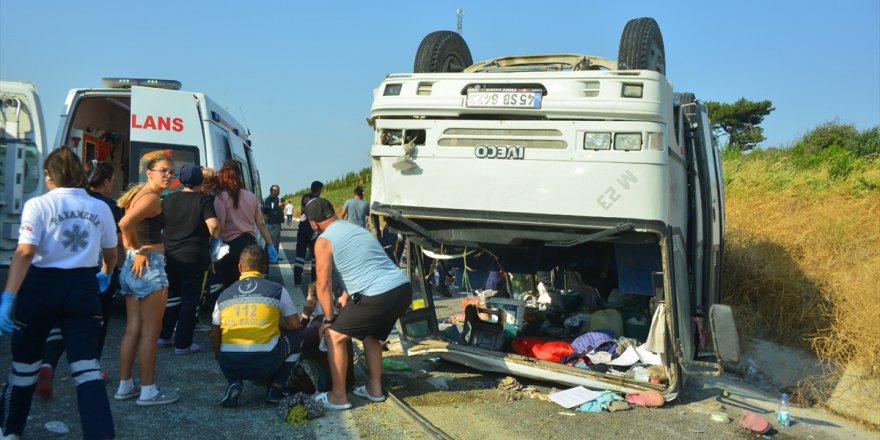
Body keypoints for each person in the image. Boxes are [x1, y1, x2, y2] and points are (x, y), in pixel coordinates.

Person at [0, 147, 117, 439]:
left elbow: (25, 252)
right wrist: (105, 272)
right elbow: (112, 252)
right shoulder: (100, 207)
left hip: (40, 288)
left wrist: (9, 296)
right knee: (87, 370)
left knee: (24, 369)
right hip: (82, 288)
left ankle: (9, 432)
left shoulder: (37, 205)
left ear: (48, 175)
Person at [305, 198, 412, 410]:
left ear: (313, 223)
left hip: (377, 294)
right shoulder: (357, 230)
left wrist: (328, 319)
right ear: (333, 212)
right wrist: (345, 295)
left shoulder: (324, 240)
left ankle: (338, 396)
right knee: (370, 334)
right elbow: (365, 263)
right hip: (402, 289)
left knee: (334, 336)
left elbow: (323, 284)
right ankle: (375, 389)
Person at [34, 161, 124, 400]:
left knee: (58, 322)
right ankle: (91, 367)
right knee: (94, 323)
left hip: (57, 275)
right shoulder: (108, 207)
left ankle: (48, 364)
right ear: (107, 181)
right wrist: (109, 272)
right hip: (92, 273)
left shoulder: (59, 202)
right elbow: (113, 247)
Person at [115, 154, 179, 406]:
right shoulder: (151, 198)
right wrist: (140, 251)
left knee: (133, 329)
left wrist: (132, 250)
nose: (168, 176)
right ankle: (148, 391)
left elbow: (126, 228)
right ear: (149, 172)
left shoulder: (138, 193)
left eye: (172, 172)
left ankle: (125, 385)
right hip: (149, 266)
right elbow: (124, 223)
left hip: (132, 267)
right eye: (163, 171)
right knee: (150, 334)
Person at [211, 245, 303, 407]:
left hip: (230, 363)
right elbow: (294, 324)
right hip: (265, 362)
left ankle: (234, 382)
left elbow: (215, 333)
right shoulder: (276, 290)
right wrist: (274, 325)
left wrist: (221, 358)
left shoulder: (224, 295)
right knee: (298, 335)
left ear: (240, 267)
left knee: (223, 343)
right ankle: (276, 388)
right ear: (265, 267)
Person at [158, 165, 220, 355]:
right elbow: (213, 225)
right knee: (189, 300)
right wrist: (214, 238)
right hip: (193, 256)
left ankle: (164, 335)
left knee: (172, 296)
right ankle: (182, 344)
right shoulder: (204, 200)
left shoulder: (168, 199)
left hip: (170, 254)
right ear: (200, 182)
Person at [214, 161, 277, 289]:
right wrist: (270, 244)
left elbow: (220, 225)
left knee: (230, 285)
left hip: (229, 248)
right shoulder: (251, 196)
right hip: (249, 245)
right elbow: (261, 224)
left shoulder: (220, 197)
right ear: (239, 176)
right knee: (249, 284)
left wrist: (213, 243)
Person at [294, 180, 323, 287]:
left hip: (303, 228)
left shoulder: (306, 197)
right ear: (319, 190)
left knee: (300, 256)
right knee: (315, 256)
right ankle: (314, 280)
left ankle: (297, 281)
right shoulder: (319, 201)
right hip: (314, 230)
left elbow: (304, 209)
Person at [262, 184, 283, 258]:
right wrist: (278, 207)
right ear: (271, 191)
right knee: (273, 241)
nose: (277, 192)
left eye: (278, 190)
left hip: (276, 222)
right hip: (272, 223)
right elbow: (267, 210)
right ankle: (272, 257)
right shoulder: (270, 199)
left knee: (276, 241)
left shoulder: (277, 199)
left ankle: (275, 256)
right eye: (275, 190)